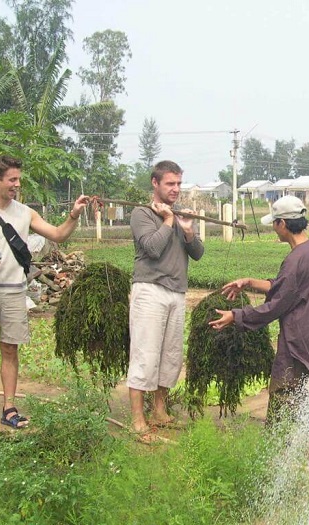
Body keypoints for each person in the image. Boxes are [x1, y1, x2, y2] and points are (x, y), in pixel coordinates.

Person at [0, 155, 90, 429]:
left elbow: (58, 234)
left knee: (10, 348)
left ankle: (9, 408)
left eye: (18, 179)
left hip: (14, 291)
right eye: (12, 179)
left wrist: (73, 214)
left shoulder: (25, 212)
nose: (17, 184)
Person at [208, 195, 309, 423]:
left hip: (297, 340)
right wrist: (250, 282)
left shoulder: (297, 259)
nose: (273, 229)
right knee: (302, 391)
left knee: (283, 390)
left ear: (282, 223)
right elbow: (285, 289)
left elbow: (276, 306)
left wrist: (236, 315)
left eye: (274, 223)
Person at [127, 160, 204, 441]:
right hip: (150, 290)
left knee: (170, 356)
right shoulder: (142, 214)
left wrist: (187, 230)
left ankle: (160, 409)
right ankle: (138, 418)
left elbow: (197, 253)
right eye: (170, 184)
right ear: (155, 183)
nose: (176, 189)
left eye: (179, 184)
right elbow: (152, 248)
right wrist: (169, 221)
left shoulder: (180, 215)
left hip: (177, 291)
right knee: (145, 354)